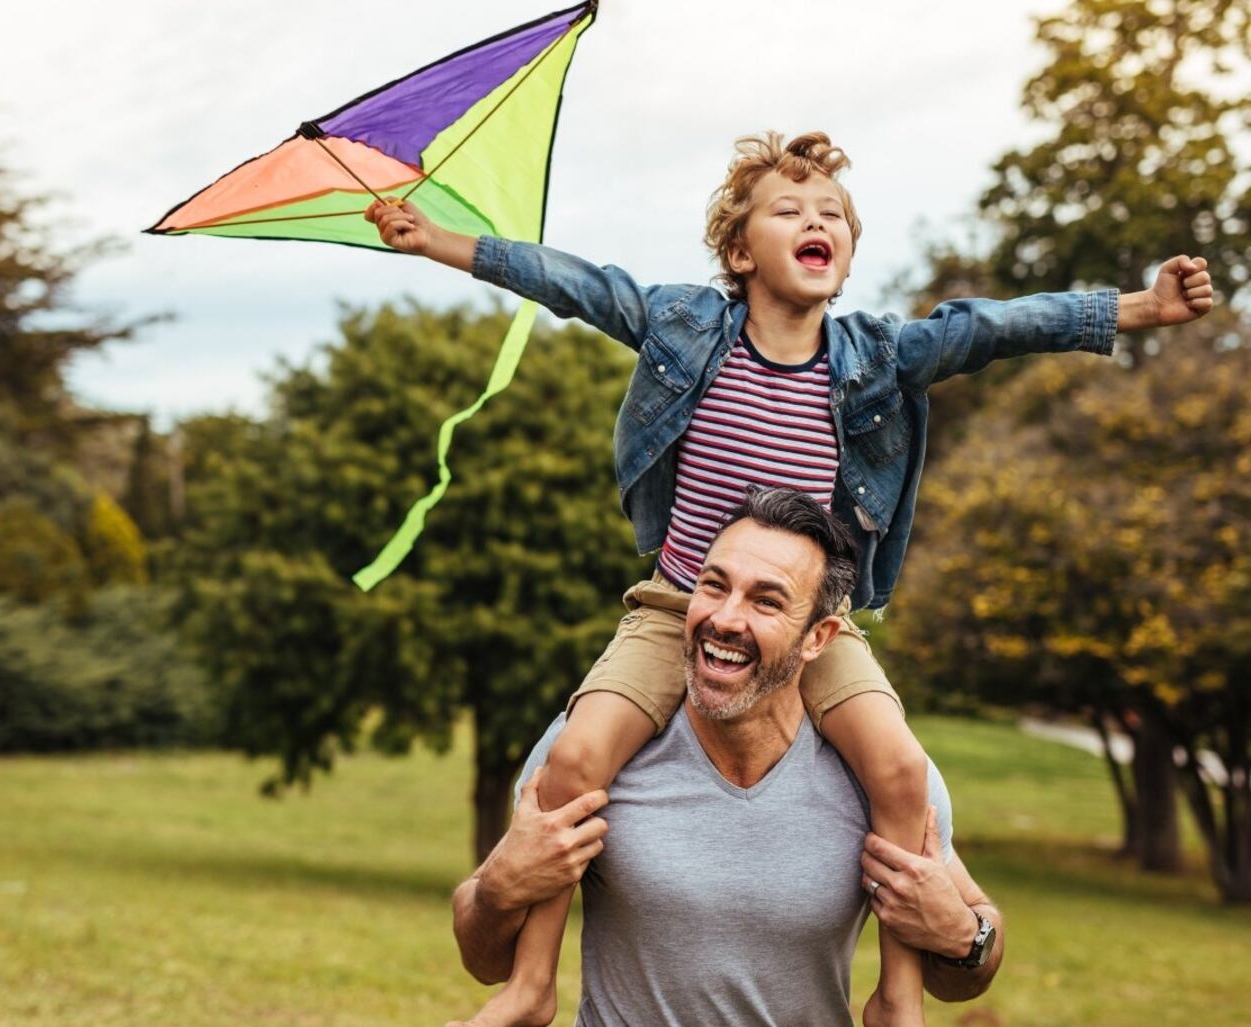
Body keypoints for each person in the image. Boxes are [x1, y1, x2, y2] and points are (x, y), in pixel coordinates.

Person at [367, 131, 1214, 1027]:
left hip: (816, 619)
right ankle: (531, 986)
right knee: (573, 760)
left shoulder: (877, 356)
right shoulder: (687, 328)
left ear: (845, 252)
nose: (818, 222)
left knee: (900, 770)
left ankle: (896, 999)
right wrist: (439, 241)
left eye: (833, 215)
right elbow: (576, 284)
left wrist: (1138, 307)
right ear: (740, 251)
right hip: (678, 601)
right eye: (790, 210)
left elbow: (992, 328)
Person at [451, 486, 1005, 1026]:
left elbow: (964, 975)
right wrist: (497, 890)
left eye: (767, 602)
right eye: (714, 587)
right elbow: (484, 961)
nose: (725, 619)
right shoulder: (593, 747)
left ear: (818, 637)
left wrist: (965, 935)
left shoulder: (878, 770)